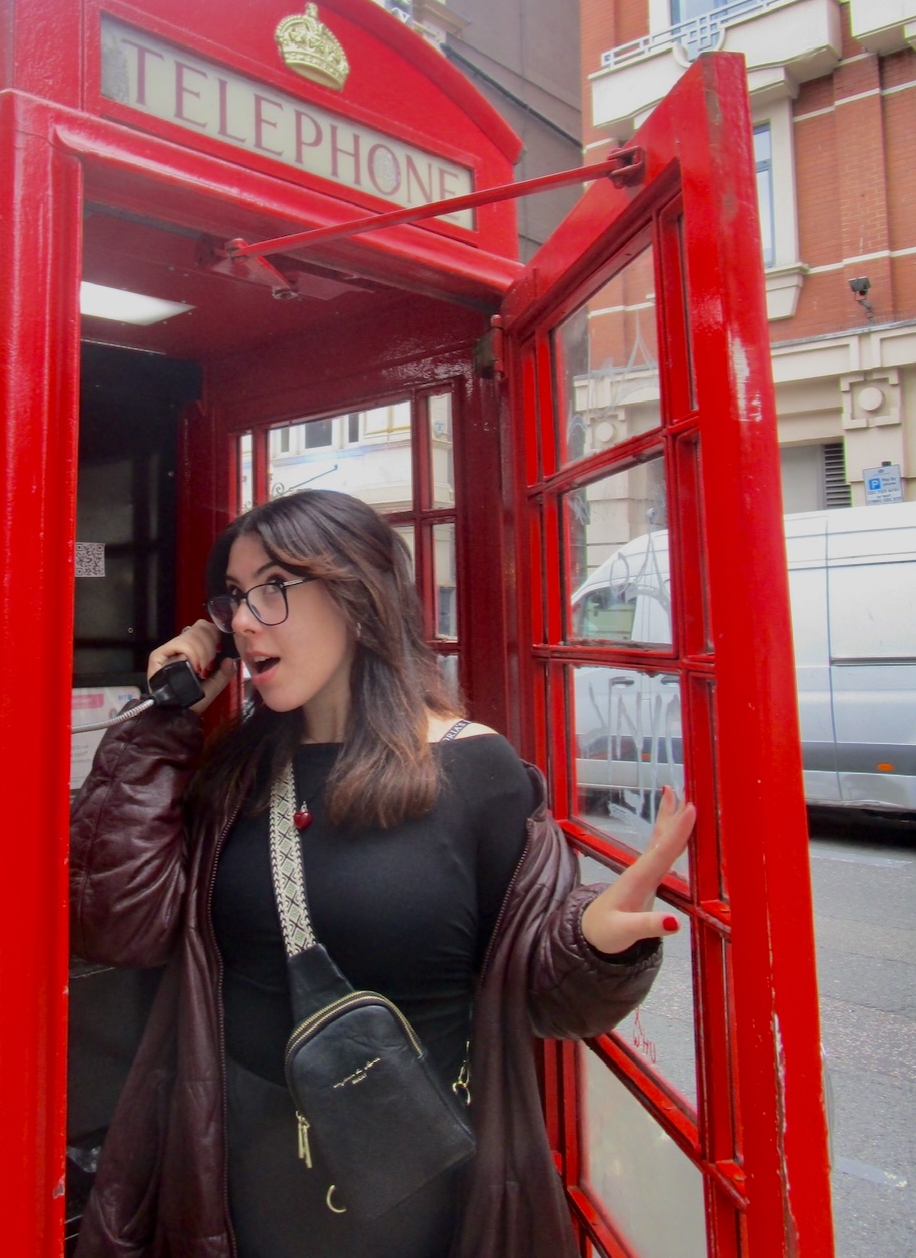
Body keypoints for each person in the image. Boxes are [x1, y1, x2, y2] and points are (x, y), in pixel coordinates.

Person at [70, 489, 695, 1258]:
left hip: (413, 1185)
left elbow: (542, 989)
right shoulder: (234, 768)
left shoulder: (477, 770)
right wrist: (163, 719)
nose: (240, 619)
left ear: (355, 595)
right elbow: (118, 922)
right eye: (233, 597)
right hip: (229, 1174)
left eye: (271, 589)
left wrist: (599, 943)